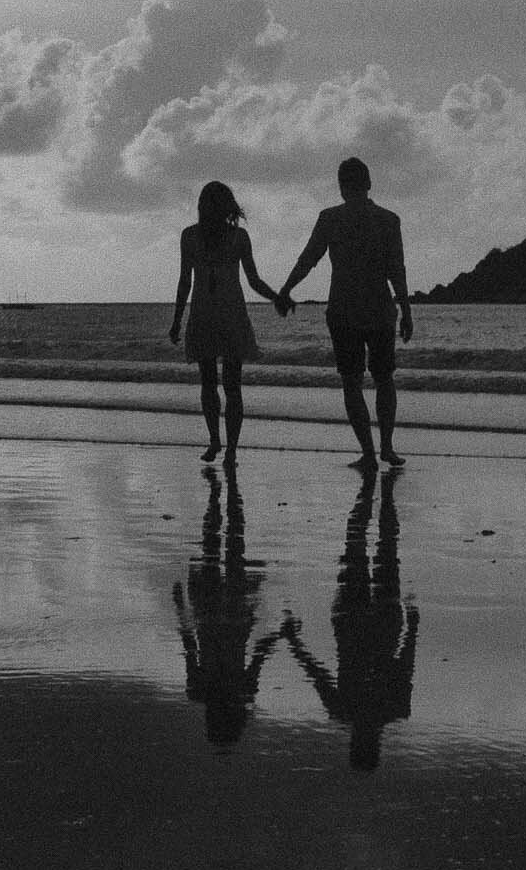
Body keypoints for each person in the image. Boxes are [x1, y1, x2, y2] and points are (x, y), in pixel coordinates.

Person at [277, 156, 412, 470]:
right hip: (379, 308)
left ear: (341, 187)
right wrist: (406, 310)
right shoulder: (388, 220)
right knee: (384, 378)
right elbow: (397, 270)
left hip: (345, 310)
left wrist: (285, 289)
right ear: (368, 184)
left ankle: (368, 453)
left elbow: (308, 259)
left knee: (352, 382)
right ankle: (387, 448)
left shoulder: (330, 219)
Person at [283, 467, 419, 770]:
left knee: (382, 550)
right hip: (359, 624)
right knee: (366, 547)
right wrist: (413, 626)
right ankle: (376, 490)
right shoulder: (359, 710)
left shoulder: (386, 710)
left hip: (366, 625)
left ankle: (378, 490)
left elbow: (317, 672)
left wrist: (413, 626)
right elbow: (405, 664)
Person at [167, 180, 288, 465]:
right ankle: (227, 448)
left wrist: (177, 321)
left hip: (208, 315)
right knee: (230, 386)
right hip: (227, 314)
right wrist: (277, 298)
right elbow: (253, 281)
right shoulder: (230, 237)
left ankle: (219, 444)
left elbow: (186, 282)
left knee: (211, 384)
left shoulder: (195, 236)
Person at [171, 469, 279, 748]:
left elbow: (259, 654)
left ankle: (224, 494)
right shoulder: (200, 691)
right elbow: (189, 643)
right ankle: (220, 495)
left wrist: (278, 630)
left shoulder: (239, 692)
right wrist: (179, 603)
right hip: (213, 616)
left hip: (235, 618)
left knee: (233, 548)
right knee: (215, 548)